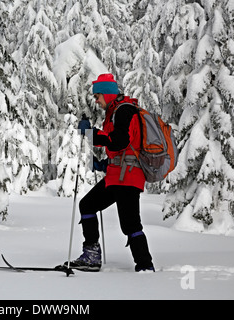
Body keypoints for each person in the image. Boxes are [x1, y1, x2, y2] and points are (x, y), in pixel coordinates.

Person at [67, 73, 154, 272]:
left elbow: (119, 140)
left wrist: (91, 133)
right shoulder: (116, 111)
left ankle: (145, 266)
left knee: (130, 224)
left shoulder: (124, 111)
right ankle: (91, 256)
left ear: (107, 94)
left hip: (128, 177)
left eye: (97, 96)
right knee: (87, 205)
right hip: (118, 176)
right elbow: (123, 148)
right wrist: (105, 164)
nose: (96, 101)